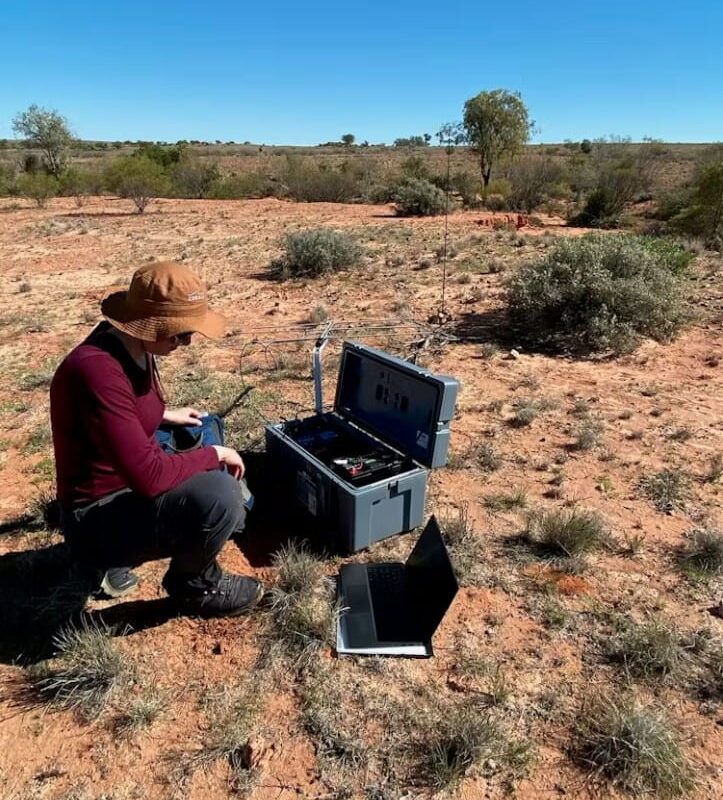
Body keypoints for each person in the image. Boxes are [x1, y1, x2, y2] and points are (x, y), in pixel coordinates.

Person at [50, 261, 263, 617]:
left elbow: (121, 410)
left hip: (123, 484)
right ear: (148, 326)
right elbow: (149, 478)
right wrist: (215, 454)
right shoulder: (98, 370)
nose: (188, 342)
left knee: (197, 431)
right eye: (180, 334)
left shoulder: (132, 345)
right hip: (97, 514)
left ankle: (124, 555)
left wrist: (165, 415)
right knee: (220, 495)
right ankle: (194, 586)